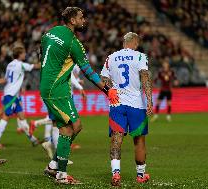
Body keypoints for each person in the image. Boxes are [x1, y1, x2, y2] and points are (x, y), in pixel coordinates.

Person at [40, 7, 118, 185]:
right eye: (81, 17)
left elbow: (42, 50)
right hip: (56, 89)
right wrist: (107, 91)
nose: (84, 20)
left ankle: (54, 165)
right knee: (70, 128)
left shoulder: (50, 32)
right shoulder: (73, 43)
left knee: (75, 126)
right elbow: (89, 72)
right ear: (72, 21)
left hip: (52, 86)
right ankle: (61, 175)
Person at [101, 32, 152, 186]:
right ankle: (140, 175)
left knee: (116, 138)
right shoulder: (140, 56)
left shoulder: (111, 57)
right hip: (136, 104)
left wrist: (111, 92)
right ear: (135, 43)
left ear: (124, 42)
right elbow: (145, 77)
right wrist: (149, 100)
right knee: (139, 140)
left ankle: (116, 174)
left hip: (117, 104)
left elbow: (103, 79)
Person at [30, 71, 86, 161]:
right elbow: (69, 75)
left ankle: (51, 146)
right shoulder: (63, 62)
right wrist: (80, 87)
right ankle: (59, 155)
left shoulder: (52, 64)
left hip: (57, 95)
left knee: (59, 124)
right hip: (61, 97)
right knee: (66, 124)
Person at [0, 46, 41, 149]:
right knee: (6, 116)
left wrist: (19, 87)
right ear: (19, 54)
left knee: (22, 116)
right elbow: (35, 66)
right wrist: (46, 63)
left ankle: (33, 139)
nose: (25, 54)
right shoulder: (21, 64)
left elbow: (8, 78)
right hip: (11, 94)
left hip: (12, 94)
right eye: (23, 53)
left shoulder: (10, 64)